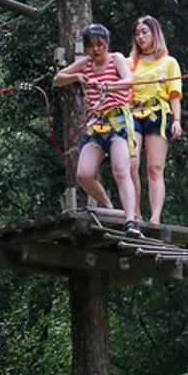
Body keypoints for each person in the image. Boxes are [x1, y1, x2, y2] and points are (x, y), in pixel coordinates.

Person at [53, 23, 141, 237]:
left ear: (106, 44)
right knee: (83, 175)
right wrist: (77, 77)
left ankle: (131, 221)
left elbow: (129, 82)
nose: (96, 49)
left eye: (100, 44)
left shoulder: (116, 59)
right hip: (96, 124)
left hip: (117, 120)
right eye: (91, 46)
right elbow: (57, 79)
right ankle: (108, 205)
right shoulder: (86, 63)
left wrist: (108, 86)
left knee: (121, 171)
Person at [127, 15, 184, 224]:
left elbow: (174, 94)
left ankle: (155, 218)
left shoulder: (169, 63)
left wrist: (176, 120)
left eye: (144, 32)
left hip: (158, 114)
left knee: (155, 168)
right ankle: (135, 214)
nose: (140, 37)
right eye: (137, 33)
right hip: (133, 113)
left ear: (154, 34)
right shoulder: (129, 62)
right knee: (131, 165)